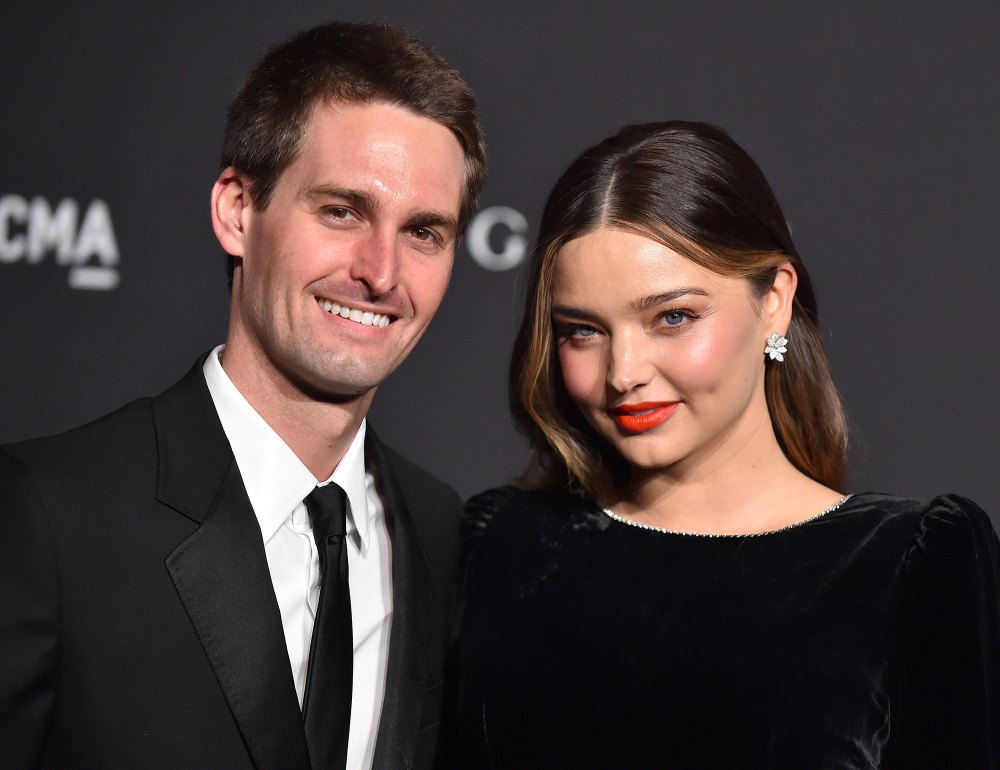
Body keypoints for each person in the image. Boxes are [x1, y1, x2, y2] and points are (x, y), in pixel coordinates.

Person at [0, 21, 485, 770]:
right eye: (342, 211)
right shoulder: (47, 515)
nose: (381, 272)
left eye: (424, 232)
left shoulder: (440, 531)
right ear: (237, 211)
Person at [448, 122, 1000, 768]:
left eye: (672, 317)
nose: (624, 371)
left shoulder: (909, 567)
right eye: (583, 331)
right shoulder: (499, 549)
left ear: (775, 302)